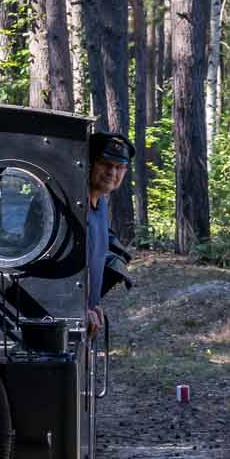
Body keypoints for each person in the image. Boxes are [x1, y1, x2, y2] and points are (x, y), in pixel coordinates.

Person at [84, 132, 132, 339]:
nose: (113, 172)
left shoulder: (100, 203)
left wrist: (92, 305)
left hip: (85, 320)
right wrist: (77, 310)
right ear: (89, 164)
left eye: (119, 167)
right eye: (106, 164)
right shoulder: (66, 203)